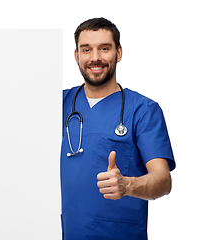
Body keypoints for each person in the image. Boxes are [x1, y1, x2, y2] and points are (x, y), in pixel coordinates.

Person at [61, 18, 175, 240]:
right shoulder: (58, 103)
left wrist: (128, 185)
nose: (95, 57)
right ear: (76, 56)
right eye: (87, 49)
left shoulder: (143, 110)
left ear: (118, 53)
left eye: (104, 48)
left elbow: (163, 180)